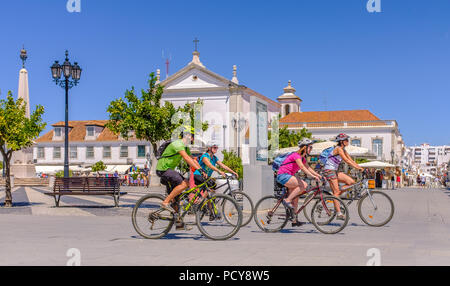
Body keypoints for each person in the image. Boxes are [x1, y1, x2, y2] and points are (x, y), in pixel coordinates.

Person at [156, 126, 204, 227]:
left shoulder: (185, 147)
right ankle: (165, 202)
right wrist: (199, 169)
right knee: (185, 183)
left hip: (169, 170)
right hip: (163, 169)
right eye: (192, 136)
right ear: (187, 135)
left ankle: (178, 223)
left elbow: (192, 159)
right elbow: (186, 158)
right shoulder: (178, 144)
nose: (193, 139)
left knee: (176, 199)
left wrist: (203, 171)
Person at [276, 138, 322, 227]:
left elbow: (308, 168)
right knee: (304, 185)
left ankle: (294, 220)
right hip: (283, 175)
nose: (311, 149)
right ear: (304, 147)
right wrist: (313, 176)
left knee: (296, 198)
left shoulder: (303, 158)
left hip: (289, 176)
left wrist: (318, 175)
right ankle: (287, 200)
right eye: (310, 147)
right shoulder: (296, 155)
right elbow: (302, 167)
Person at [322, 133, 364, 220]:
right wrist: (357, 168)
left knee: (351, 182)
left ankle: (335, 196)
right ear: (341, 141)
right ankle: (338, 213)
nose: (348, 141)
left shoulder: (343, 150)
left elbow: (350, 160)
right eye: (346, 140)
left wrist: (359, 167)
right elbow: (346, 161)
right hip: (329, 170)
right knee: (336, 192)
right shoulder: (338, 149)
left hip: (335, 171)